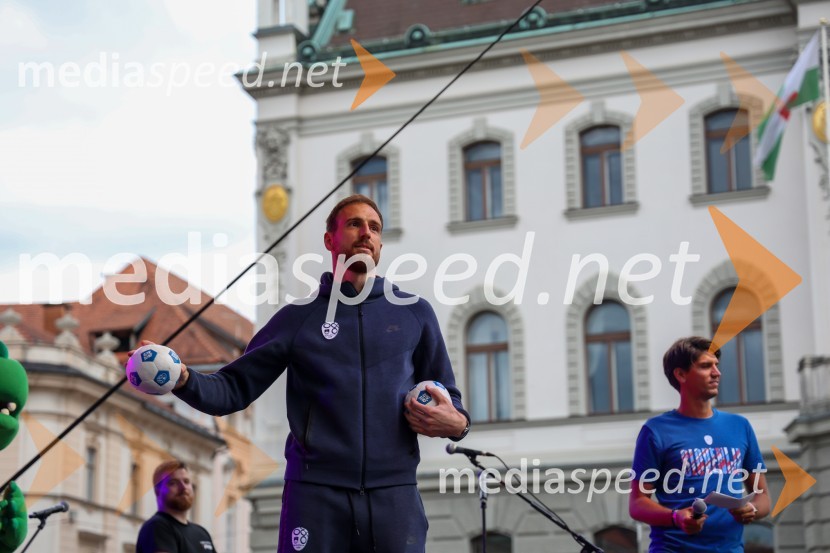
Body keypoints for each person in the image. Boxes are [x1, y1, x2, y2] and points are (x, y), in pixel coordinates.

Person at [151, 195, 469, 552]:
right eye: (354, 224)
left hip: (394, 495)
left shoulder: (414, 313)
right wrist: (182, 378)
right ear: (330, 240)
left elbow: (451, 400)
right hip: (316, 495)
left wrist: (457, 423)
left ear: (380, 244)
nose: (366, 233)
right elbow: (233, 387)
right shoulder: (298, 318)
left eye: (375, 227)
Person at [629, 336, 771, 552]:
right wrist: (676, 517)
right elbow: (637, 503)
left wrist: (751, 508)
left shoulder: (740, 426)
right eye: (706, 366)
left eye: (717, 365)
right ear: (681, 374)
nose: (717, 372)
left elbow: (763, 498)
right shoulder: (656, 431)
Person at [136, 460, 216, 553]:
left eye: (186, 481)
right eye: (173, 483)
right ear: (158, 491)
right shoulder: (157, 527)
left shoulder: (202, 534)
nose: (183, 487)